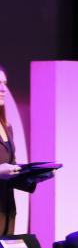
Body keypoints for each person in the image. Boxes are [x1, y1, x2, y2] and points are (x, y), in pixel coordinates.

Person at [0, 65, 35, 235]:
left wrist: (34, 175)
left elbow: (11, 169)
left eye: (4, 84)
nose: (3, 89)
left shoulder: (6, 127)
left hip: (6, 211)